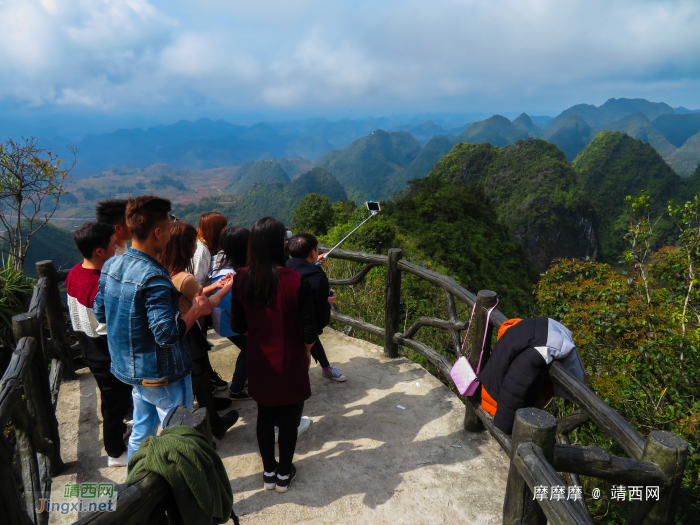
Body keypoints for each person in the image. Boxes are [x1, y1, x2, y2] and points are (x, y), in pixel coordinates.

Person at [94, 195, 212, 460]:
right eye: (169, 231)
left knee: (142, 430)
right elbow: (167, 334)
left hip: (129, 370)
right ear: (157, 232)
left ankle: (134, 485)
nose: (170, 237)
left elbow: (101, 311)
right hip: (163, 374)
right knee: (179, 437)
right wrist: (196, 310)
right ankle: (183, 491)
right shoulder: (155, 277)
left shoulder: (112, 264)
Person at [230, 217, 317, 493]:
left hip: (259, 359)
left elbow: (238, 325)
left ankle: (269, 471)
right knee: (289, 420)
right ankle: (283, 474)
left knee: (265, 415)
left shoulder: (241, 277)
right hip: (290, 358)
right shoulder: (296, 280)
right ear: (280, 244)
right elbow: (308, 330)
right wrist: (306, 353)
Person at [159, 221, 239, 440]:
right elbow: (207, 304)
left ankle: (210, 412)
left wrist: (214, 285)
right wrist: (228, 287)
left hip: (174, 332)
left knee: (193, 380)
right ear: (185, 246)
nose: (196, 246)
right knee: (201, 379)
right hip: (190, 333)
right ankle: (214, 424)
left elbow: (192, 293)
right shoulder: (186, 277)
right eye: (193, 242)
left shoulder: (163, 270)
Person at [66, 222, 133, 467]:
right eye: (113, 244)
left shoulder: (75, 272)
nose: (117, 247)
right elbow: (109, 329)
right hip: (105, 353)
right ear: (99, 252)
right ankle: (115, 453)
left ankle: (118, 436)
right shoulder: (99, 285)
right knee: (113, 404)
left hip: (88, 345)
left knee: (115, 400)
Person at [286, 233, 346, 382]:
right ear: (313, 252)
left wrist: (312, 263)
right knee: (301, 361)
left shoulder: (284, 265)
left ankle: (326, 368)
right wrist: (327, 303)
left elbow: (299, 270)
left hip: (284, 321)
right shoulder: (318, 278)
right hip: (303, 325)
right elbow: (319, 319)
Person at [209, 226, 252, 400]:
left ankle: (242, 382)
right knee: (251, 349)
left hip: (229, 321)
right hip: (230, 323)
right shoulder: (227, 275)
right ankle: (236, 389)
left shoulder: (222, 263)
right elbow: (232, 306)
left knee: (249, 349)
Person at [191, 211, 229, 392]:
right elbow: (195, 288)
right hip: (196, 309)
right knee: (199, 346)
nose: (224, 231)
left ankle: (208, 378)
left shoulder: (202, 248)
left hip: (200, 307)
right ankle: (206, 382)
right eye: (222, 228)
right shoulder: (202, 252)